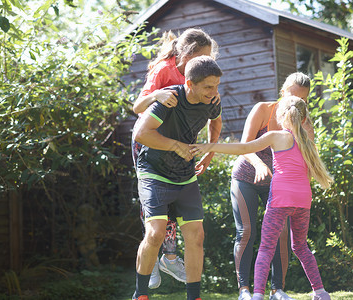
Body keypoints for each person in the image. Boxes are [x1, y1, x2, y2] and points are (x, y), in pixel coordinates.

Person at [190, 95, 333, 300]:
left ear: (281, 116)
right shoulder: (308, 143)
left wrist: (211, 146)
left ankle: (257, 295)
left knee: (266, 247)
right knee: (300, 246)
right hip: (303, 201)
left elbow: (243, 148)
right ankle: (320, 292)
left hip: (280, 200)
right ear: (303, 119)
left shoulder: (276, 136)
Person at [131, 28, 219, 289]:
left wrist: (210, 150)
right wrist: (156, 95)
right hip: (151, 143)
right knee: (156, 214)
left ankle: (168, 257)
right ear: (188, 55)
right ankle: (156, 257)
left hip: (179, 150)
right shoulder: (164, 69)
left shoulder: (202, 79)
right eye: (203, 57)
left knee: (179, 211)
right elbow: (137, 109)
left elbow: (214, 117)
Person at [229, 72, 313, 300]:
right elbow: (245, 146)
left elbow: (309, 157)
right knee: (246, 231)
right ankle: (244, 290)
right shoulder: (263, 110)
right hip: (246, 178)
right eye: (293, 94)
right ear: (283, 91)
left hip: (277, 187)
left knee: (282, 233)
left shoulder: (303, 121)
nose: (296, 100)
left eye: (302, 99)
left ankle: (278, 290)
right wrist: (258, 164)